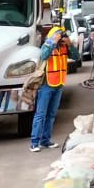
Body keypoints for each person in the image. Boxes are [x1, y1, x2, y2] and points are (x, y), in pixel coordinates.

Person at [30, 23, 70, 152]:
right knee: (40, 114)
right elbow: (44, 55)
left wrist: (70, 43)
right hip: (46, 85)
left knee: (51, 114)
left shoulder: (64, 47)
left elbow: (76, 56)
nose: (61, 37)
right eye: (58, 34)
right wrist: (53, 41)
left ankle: (45, 140)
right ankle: (34, 143)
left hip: (59, 84)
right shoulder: (47, 44)